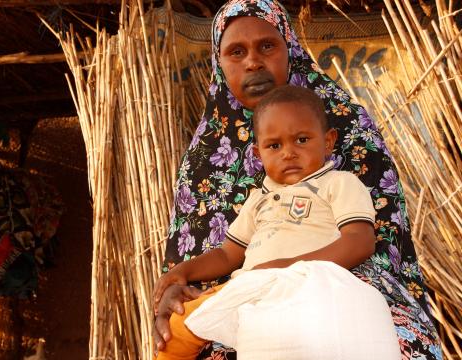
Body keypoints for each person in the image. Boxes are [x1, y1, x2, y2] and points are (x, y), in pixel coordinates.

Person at [154, 1, 442, 359]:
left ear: (288, 48)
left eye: (267, 46)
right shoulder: (204, 159)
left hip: (345, 282)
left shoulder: (348, 129)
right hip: (245, 296)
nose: (253, 62)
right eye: (236, 52)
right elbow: (224, 254)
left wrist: (293, 275)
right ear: (220, 62)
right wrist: (178, 281)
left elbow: (370, 246)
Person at [153, 85, 402, 359]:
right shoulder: (258, 199)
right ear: (259, 155)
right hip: (250, 287)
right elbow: (227, 254)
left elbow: (359, 241)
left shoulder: (339, 183)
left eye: (302, 140)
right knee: (176, 330)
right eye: (274, 145)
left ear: (328, 141)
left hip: (310, 283)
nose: (288, 153)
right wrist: (184, 271)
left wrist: (290, 266)